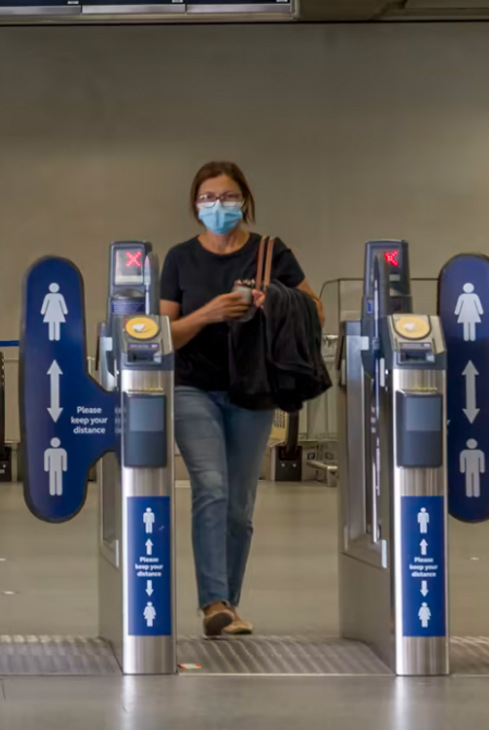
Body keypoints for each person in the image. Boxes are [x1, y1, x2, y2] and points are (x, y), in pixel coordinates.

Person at [161, 161, 324, 638]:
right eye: (208, 198)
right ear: (195, 205)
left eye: (228, 197)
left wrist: (268, 298)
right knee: (210, 486)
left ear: (245, 201)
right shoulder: (179, 259)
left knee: (239, 504)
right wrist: (210, 313)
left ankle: (227, 603)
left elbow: (312, 308)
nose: (218, 206)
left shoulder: (271, 252)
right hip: (193, 387)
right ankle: (213, 600)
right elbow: (162, 334)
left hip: (253, 388)